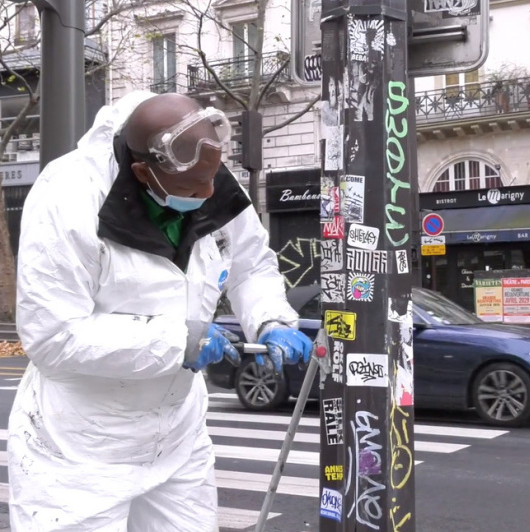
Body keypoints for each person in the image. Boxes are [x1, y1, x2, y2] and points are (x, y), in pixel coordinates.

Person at [9, 91, 313, 531]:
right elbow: (52, 336)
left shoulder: (207, 173)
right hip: (80, 447)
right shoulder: (67, 198)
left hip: (175, 436)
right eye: (193, 190)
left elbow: (250, 266)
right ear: (143, 173)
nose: (208, 195)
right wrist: (177, 341)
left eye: (212, 183)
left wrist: (270, 319)